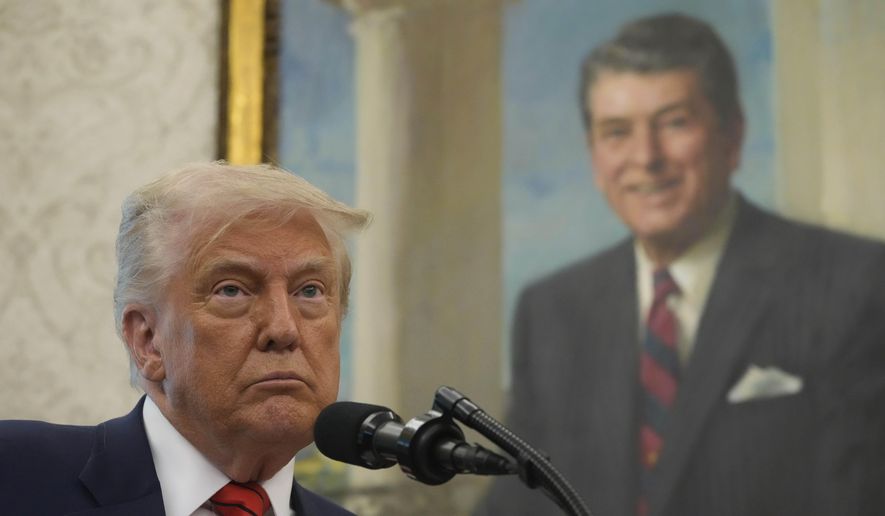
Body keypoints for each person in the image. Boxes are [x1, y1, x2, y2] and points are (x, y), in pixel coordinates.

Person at [477, 13, 885, 516]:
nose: (646, 157)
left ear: (732, 136)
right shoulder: (551, 311)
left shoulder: (856, 283)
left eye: (674, 123)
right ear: (594, 157)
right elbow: (519, 502)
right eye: (617, 132)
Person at [0, 162, 370, 515]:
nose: (283, 330)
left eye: (309, 291)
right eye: (232, 291)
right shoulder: (16, 476)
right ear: (147, 340)